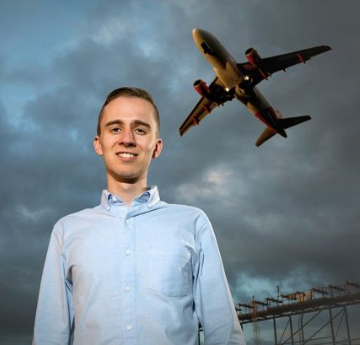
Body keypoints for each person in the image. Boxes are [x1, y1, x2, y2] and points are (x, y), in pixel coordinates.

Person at [32, 87, 245, 345]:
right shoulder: (66, 231)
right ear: (98, 144)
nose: (127, 139)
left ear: (156, 147)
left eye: (140, 129)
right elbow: (49, 335)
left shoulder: (193, 223)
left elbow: (223, 331)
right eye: (115, 128)